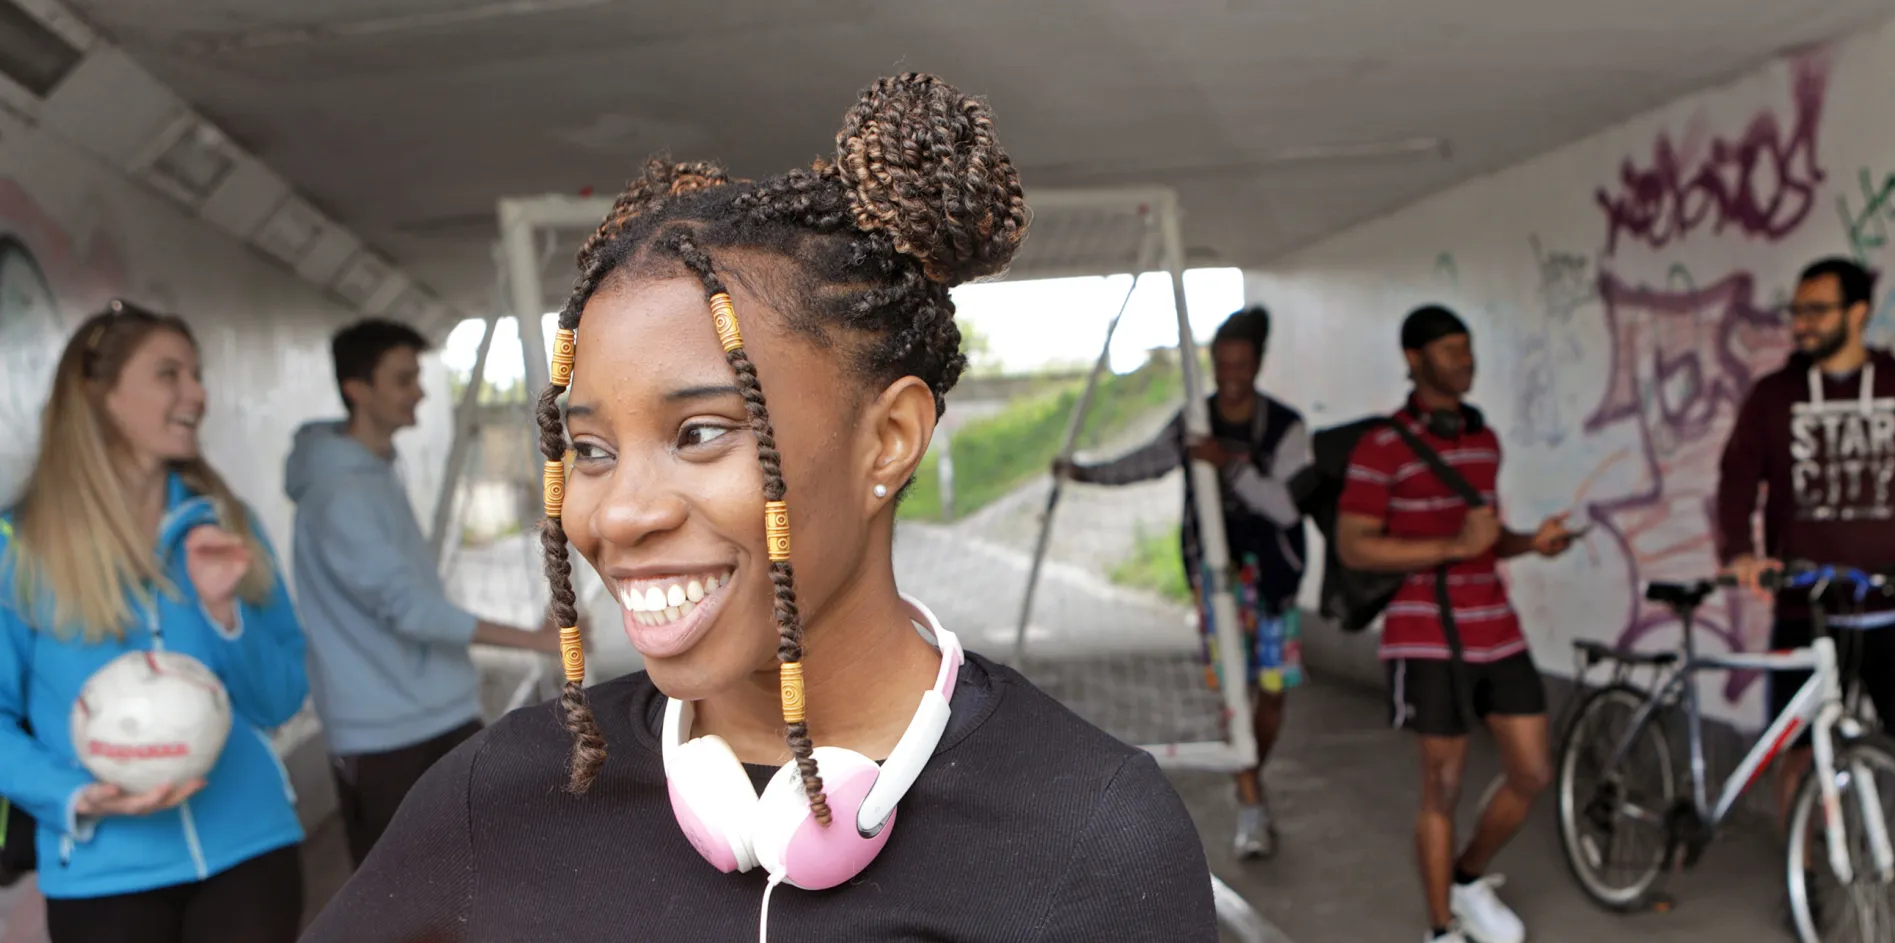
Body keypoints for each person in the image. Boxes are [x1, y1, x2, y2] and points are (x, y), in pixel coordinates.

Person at [303, 73, 1214, 942]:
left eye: (701, 432)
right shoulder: (500, 796)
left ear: (889, 438)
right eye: (588, 448)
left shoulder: (1095, 838)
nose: (618, 516)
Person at [0, 301, 310, 943]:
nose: (197, 393)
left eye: (196, 374)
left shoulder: (226, 523)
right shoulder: (16, 548)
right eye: (170, 374)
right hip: (101, 873)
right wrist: (76, 795)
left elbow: (281, 699)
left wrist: (225, 613)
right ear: (98, 394)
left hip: (250, 850)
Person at [1717, 256, 1895, 939]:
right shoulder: (1774, 396)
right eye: (1796, 312)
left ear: (1859, 312)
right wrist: (1740, 553)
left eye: (1817, 311)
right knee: (1798, 756)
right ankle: (1803, 884)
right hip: (1808, 609)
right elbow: (1736, 480)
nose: (1801, 325)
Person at [284, 318, 575, 869]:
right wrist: (538, 641)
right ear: (357, 390)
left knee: (462, 874)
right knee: (407, 889)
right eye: (402, 378)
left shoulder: (369, 472)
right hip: (388, 733)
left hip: (428, 714)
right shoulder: (341, 493)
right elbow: (409, 610)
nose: (418, 391)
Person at [1333, 304, 1574, 943]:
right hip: (1426, 637)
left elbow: (1486, 538)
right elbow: (1355, 545)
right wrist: (1452, 549)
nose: (1465, 360)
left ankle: (1467, 879)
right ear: (1415, 360)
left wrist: (1531, 544)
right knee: (1441, 786)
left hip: (1497, 627)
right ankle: (1441, 930)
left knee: (1532, 773)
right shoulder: (1381, 446)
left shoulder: (1482, 437)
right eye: (1450, 350)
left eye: (1468, 348)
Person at [1055, 304, 1307, 860]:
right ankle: (1250, 805)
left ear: (1258, 364)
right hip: (1216, 580)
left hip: (1274, 579)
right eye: (1223, 363)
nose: (1232, 374)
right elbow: (1145, 463)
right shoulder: (1193, 420)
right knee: (1230, 689)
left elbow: (1287, 508)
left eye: (1242, 363)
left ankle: (1250, 771)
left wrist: (1227, 464)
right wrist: (1086, 473)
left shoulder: (1287, 427)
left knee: (1271, 692)